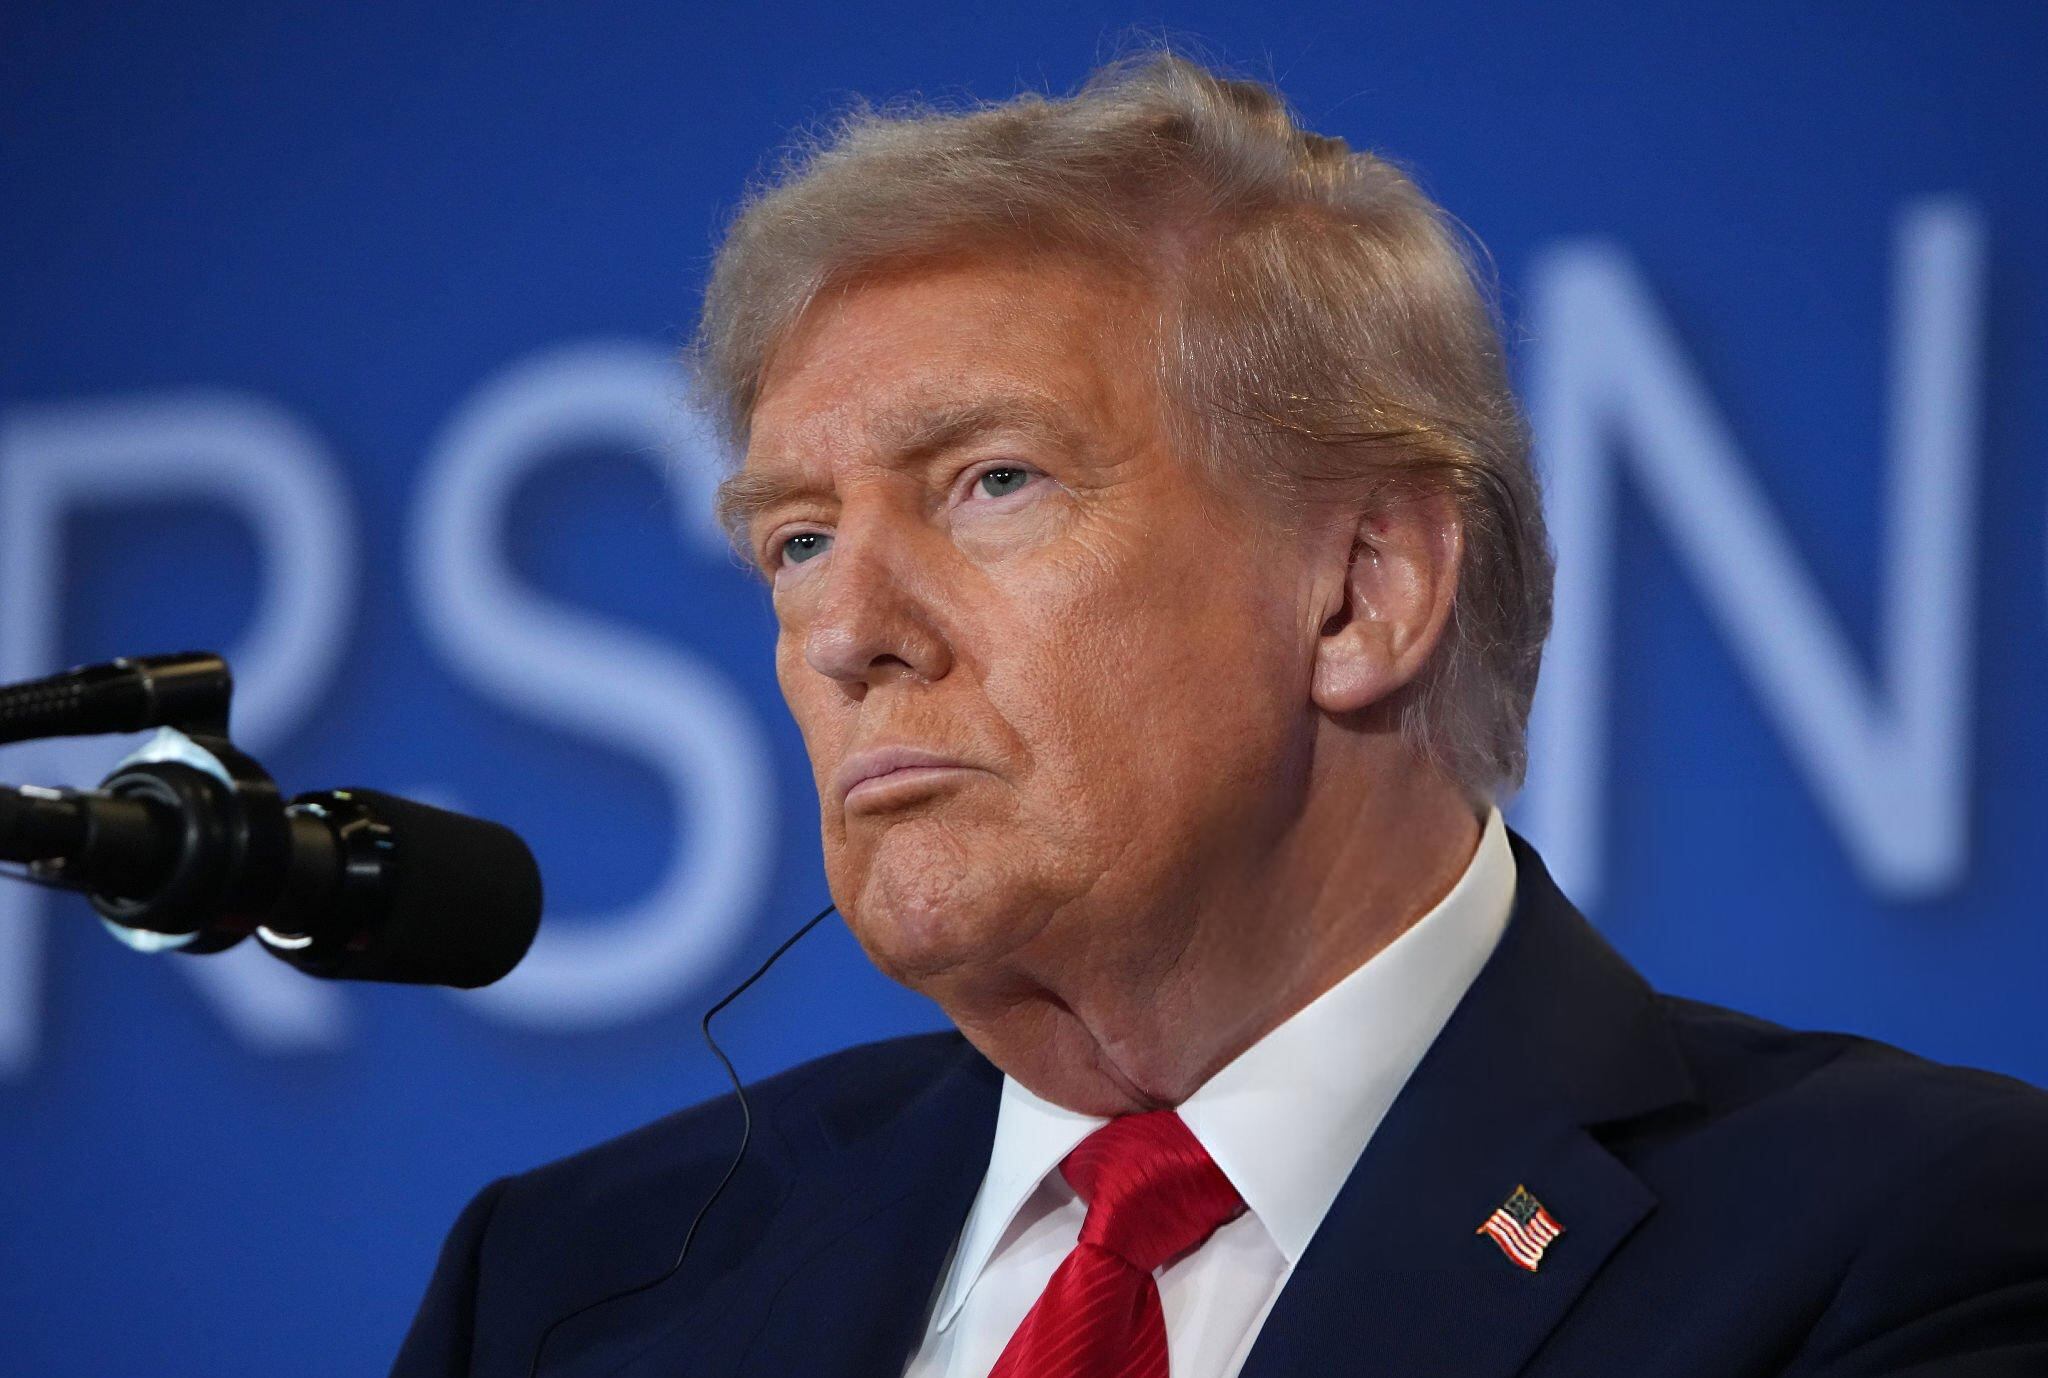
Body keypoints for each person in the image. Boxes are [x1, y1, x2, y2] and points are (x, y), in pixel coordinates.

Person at [392, 53, 2048, 1378]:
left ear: (1362, 591)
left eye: (991, 481)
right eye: (799, 537)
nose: (844, 632)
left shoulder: (1905, 1233)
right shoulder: (559, 1290)